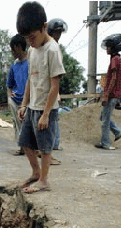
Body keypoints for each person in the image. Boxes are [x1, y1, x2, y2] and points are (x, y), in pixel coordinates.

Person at [16, 1, 65, 193]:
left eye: (32, 37)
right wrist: (23, 104)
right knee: (25, 143)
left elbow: (55, 85)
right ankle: (36, 173)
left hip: (47, 109)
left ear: (44, 27)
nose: (30, 41)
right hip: (32, 107)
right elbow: (30, 79)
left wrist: (45, 114)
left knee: (45, 148)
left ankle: (44, 181)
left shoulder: (52, 50)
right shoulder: (31, 50)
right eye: (26, 38)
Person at [95, 34, 121, 150]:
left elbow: (113, 79)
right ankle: (117, 132)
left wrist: (106, 95)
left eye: (109, 47)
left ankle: (106, 143)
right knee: (103, 117)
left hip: (111, 94)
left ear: (114, 48)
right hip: (115, 94)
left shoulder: (114, 60)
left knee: (104, 120)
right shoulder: (119, 60)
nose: (107, 49)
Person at [47, 18, 68, 152]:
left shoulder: (54, 48)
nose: (58, 35)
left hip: (53, 86)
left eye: (60, 32)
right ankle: (53, 143)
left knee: (53, 117)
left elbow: (57, 74)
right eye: (56, 32)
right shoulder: (51, 48)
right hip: (48, 87)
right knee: (51, 117)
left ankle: (55, 143)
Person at [7, 34, 28, 156]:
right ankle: (22, 148)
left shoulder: (30, 62)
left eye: (12, 49)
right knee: (18, 125)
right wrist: (10, 95)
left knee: (28, 124)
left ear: (18, 47)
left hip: (28, 100)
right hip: (16, 100)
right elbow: (9, 84)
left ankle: (31, 149)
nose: (12, 52)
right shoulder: (14, 65)